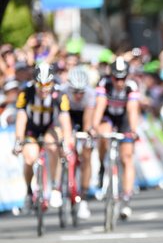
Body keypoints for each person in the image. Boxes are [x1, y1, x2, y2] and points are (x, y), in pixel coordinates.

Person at [13, 62, 73, 211]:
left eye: (48, 84)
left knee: (52, 145)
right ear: (35, 82)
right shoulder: (26, 92)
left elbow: (65, 119)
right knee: (29, 157)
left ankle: (54, 187)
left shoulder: (59, 93)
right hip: (32, 129)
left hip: (50, 127)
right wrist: (18, 141)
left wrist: (66, 141)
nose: (44, 89)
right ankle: (28, 191)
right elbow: (21, 117)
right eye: (41, 85)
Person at [92, 56, 140, 220]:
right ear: (111, 76)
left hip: (124, 119)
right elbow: (99, 106)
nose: (119, 82)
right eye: (116, 78)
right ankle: (102, 165)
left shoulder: (131, 86)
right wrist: (94, 127)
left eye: (123, 78)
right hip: (108, 117)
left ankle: (126, 196)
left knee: (127, 157)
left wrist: (133, 130)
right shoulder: (104, 83)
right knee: (103, 134)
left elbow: (133, 110)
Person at [65, 67, 96, 219]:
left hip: (84, 115)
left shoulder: (90, 94)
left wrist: (86, 134)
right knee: (63, 144)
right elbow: (62, 117)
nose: (78, 95)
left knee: (87, 154)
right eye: (75, 92)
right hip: (68, 115)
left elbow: (88, 120)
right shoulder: (63, 92)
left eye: (81, 92)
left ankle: (83, 196)